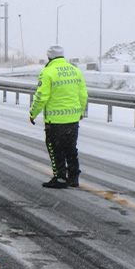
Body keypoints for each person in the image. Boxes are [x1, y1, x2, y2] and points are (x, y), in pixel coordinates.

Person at [29, 44, 89, 188]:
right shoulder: (75, 71)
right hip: (73, 119)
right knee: (71, 148)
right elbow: (83, 94)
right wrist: (80, 112)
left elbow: (41, 97)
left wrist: (33, 113)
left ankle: (60, 178)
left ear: (49, 57)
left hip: (55, 120)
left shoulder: (47, 72)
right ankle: (74, 178)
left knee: (56, 149)